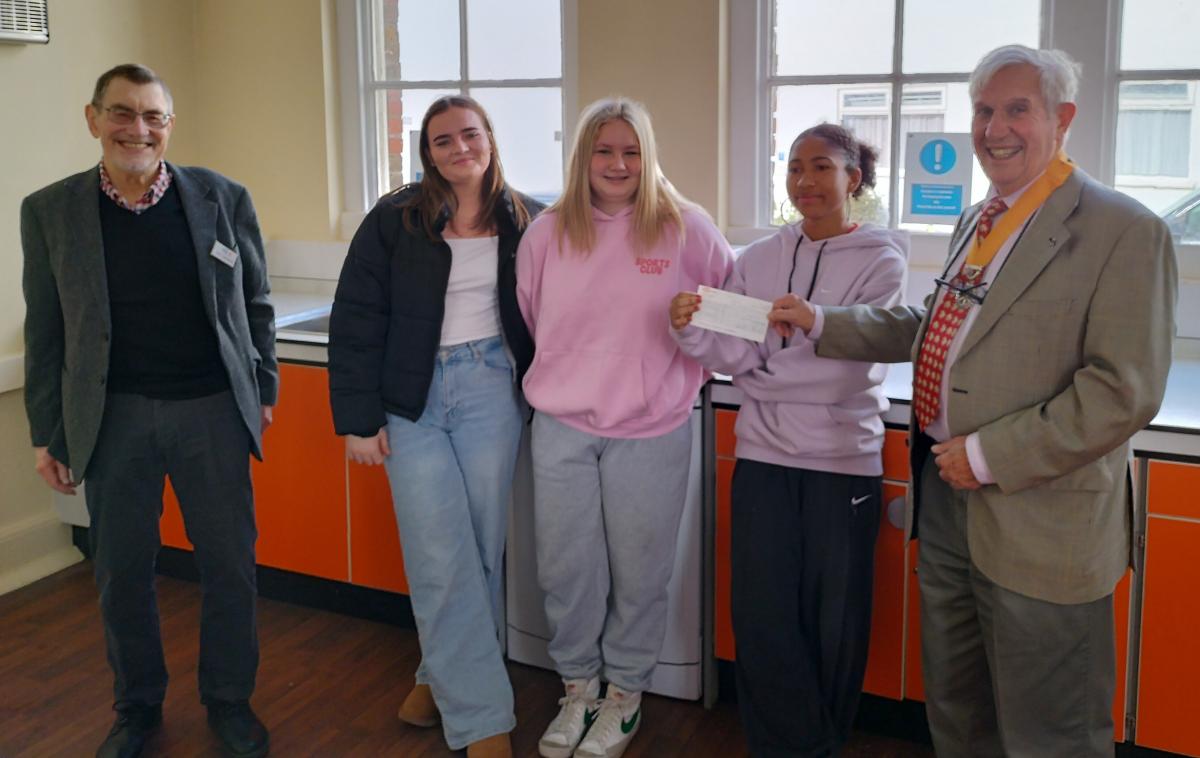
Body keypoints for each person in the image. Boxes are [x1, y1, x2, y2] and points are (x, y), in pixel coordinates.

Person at [768, 45, 1177, 757]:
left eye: (1017, 109)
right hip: (949, 510)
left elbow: (1122, 390)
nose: (995, 128)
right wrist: (822, 321)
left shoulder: (1123, 230)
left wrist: (987, 455)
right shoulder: (980, 219)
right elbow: (934, 328)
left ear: (1063, 118)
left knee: (1051, 731)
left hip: (1043, 523)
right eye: (984, 110)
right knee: (959, 713)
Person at [21, 64, 276, 758]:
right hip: (114, 420)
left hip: (211, 412)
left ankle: (229, 700)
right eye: (123, 113)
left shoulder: (223, 199)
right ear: (93, 118)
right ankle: (136, 707)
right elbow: (45, 331)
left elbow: (256, 305)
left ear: (170, 123)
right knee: (121, 573)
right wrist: (49, 432)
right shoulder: (48, 211)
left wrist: (267, 393)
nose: (139, 129)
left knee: (229, 567)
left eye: (153, 116)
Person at [670, 123, 907, 756]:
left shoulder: (883, 260)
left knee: (834, 620)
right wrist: (692, 329)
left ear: (853, 178)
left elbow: (849, 370)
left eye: (822, 167)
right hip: (762, 457)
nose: (806, 181)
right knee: (762, 613)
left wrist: (767, 363)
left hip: (841, 464)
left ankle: (821, 745)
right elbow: (730, 350)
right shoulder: (760, 259)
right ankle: (782, 746)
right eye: (795, 168)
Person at [517, 97, 733, 758]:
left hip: (651, 426)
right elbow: (533, 316)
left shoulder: (686, 228)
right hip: (561, 427)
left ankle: (625, 697)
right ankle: (578, 688)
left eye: (631, 151)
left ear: (648, 156)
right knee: (565, 570)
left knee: (640, 573)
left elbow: (721, 312)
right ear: (584, 157)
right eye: (604, 150)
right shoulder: (548, 232)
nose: (617, 163)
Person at [327, 95, 540, 758]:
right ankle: (482, 722)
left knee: (476, 548)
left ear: (489, 140)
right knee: (438, 553)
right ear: (428, 153)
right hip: (409, 398)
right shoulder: (395, 219)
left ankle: (436, 677)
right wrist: (359, 419)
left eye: (469, 135)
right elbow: (356, 317)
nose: (458, 149)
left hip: (489, 390)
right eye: (442, 140)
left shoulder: (528, 217)